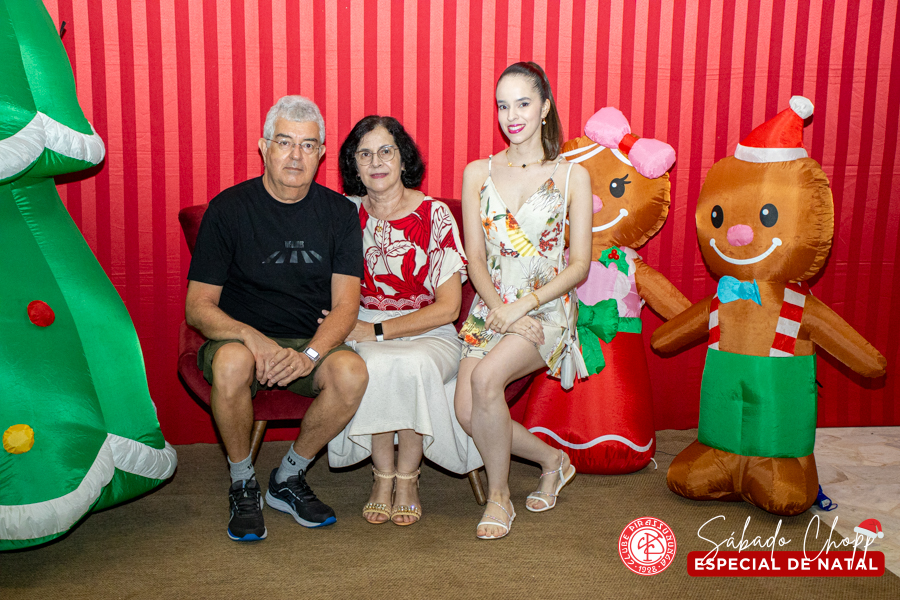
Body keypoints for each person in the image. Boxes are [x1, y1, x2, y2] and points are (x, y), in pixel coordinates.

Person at [185, 95, 368, 542]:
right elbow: (198, 306)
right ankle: (242, 481)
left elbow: (346, 305)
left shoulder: (341, 214)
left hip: (308, 339)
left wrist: (309, 355)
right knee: (232, 363)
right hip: (239, 339)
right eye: (284, 142)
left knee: (352, 373)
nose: (295, 155)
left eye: (308, 145)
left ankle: (288, 476)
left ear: (321, 153)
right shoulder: (228, 210)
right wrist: (252, 338)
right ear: (263, 147)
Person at [454, 62, 593, 539]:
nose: (511, 116)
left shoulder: (572, 175)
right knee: (467, 413)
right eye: (502, 105)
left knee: (486, 380)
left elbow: (579, 266)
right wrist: (502, 310)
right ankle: (553, 459)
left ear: (545, 107)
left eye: (523, 103)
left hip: (546, 309)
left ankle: (499, 498)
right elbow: (475, 259)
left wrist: (523, 306)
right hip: (490, 306)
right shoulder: (478, 172)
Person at [326, 116, 477, 526]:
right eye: (364, 154)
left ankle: (408, 477)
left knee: (410, 363)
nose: (376, 162)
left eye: (385, 151)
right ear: (354, 166)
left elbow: (448, 308)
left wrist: (376, 331)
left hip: (429, 327)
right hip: (360, 321)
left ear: (403, 158)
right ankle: (383, 475)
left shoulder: (435, 214)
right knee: (373, 364)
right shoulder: (343, 214)